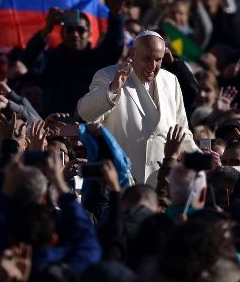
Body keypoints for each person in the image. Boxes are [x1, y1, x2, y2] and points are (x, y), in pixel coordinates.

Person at [78, 31, 199, 186]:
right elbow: (86, 113)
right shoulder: (108, 75)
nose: (152, 66)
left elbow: (182, 132)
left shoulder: (171, 80)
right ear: (134, 53)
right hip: (122, 183)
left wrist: (200, 159)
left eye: (158, 60)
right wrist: (113, 89)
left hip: (161, 185)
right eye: (147, 58)